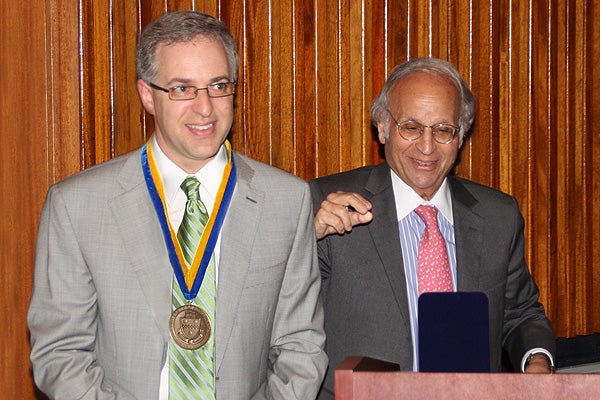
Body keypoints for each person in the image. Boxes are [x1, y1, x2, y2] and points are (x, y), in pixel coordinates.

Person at [28, 10, 327, 400]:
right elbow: (59, 354)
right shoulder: (77, 206)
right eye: (183, 89)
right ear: (147, 96)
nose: (205, 108)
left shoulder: (287, 201)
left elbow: (301, 346)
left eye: (218, 86)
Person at [310, 57, 556, 399]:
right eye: (410, 127)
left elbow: (520, 313)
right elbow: (279, 312)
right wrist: (307, 237)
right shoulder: (326, 206)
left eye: (443, 130)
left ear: (461, 136)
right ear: (382, 127)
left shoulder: (499, 216)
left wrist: (538, 362)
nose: (426, 148)